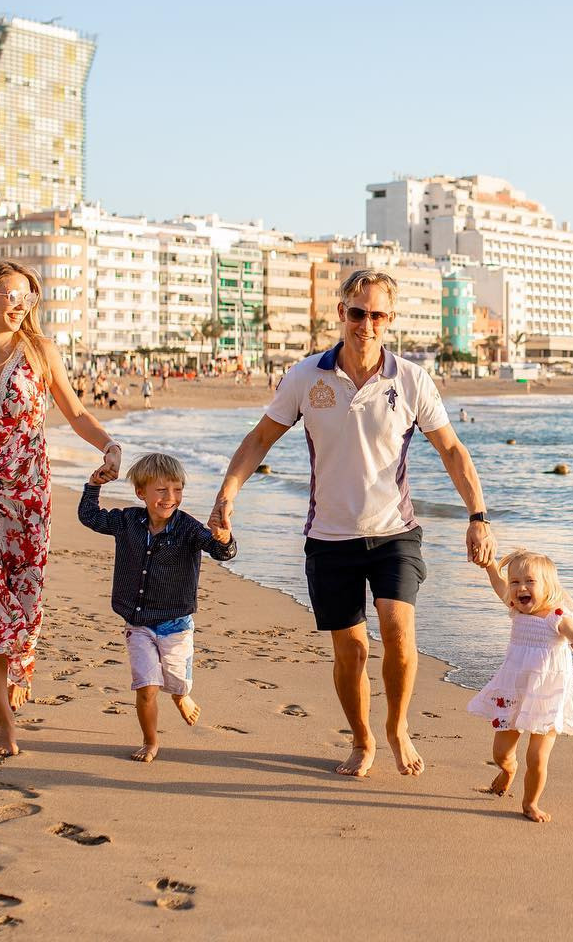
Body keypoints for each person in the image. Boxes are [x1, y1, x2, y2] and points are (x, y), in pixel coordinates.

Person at [208, 269, 495, 778]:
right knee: (352, 650)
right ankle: (363, 740)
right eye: (358, 312)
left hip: (394, 532)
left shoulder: (409, 380)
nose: (366, 324)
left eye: (377, 315)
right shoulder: (304, 378)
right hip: (329, 537)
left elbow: (452, 449)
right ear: (341, 313)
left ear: (390, 320)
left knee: (398, 631)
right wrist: (227, 496)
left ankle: (397, 727)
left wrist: (477, 516)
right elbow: (258, 440)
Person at [0, 260, 122, 757]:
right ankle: (2, 719)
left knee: (24, 599)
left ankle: (19, 662)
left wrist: (109, 445)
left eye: (28, 298)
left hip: (27, 494)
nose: (20, 305)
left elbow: (75, 412)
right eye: (11, 295)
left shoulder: (40, 351)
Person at [79, 452, 237, 762]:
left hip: (176, 624)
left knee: (176, 680)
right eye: (161, 490)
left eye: (177, 489)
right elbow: (91, 516)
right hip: (138, 622)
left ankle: (181, 696)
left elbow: (221, 552)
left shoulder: (188, 528)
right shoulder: (127, 522)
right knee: (147, 686)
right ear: (141, 492)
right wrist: (92, 485)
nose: (170, 497)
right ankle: (150, 741)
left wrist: (225, 537)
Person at [467, 549, 573, 823]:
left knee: (537, 757)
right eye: (515, 582)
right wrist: (490, 567)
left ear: (548, 587)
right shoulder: (515, 608)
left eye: (529, 582)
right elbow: (499, 586)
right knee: (501, 752)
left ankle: (530, 803)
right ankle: (507, 771)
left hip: (548, 696)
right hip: (514, 691)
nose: (520, 588)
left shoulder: (557, 616)